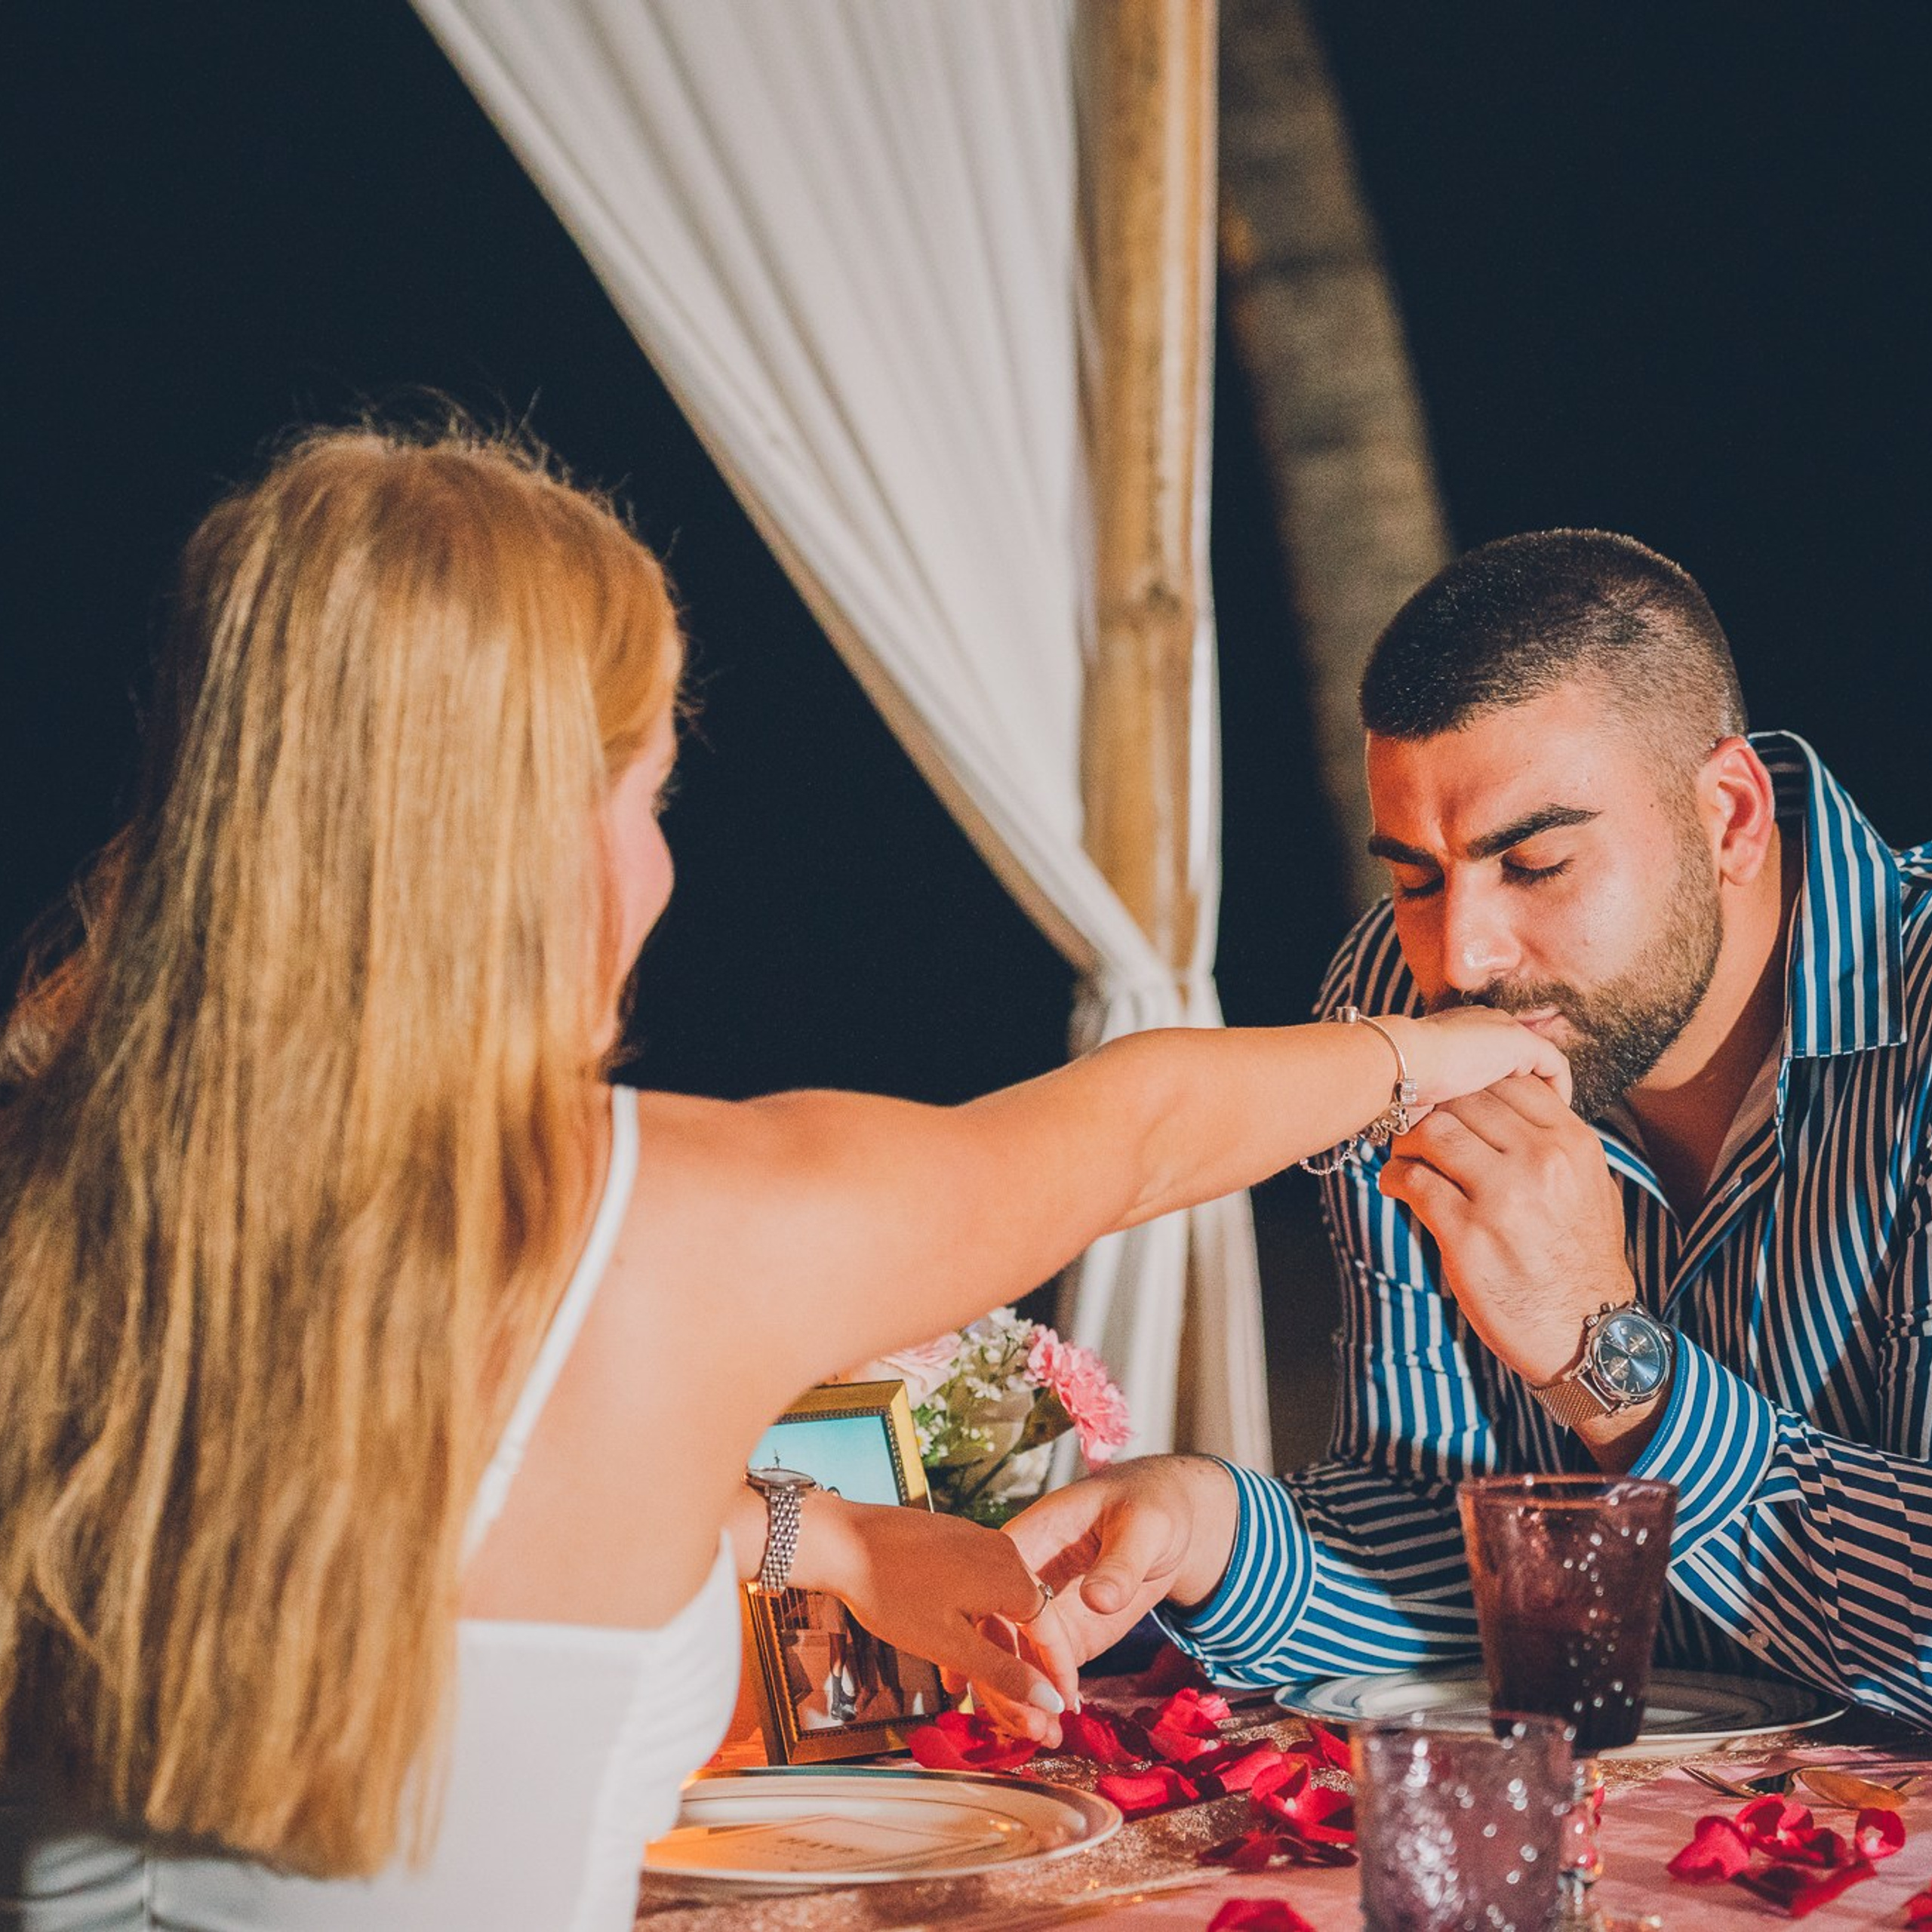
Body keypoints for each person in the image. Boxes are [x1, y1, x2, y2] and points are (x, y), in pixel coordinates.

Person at [0, 425, 1565, 1931]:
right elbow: (1133, 1131)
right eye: (648, 794)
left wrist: (838, 1541)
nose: (657, 865)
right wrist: (1446, 1049)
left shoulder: (63, 1182)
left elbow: (396, 1493)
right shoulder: (645, 1217)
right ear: (524, 832)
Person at [1006, 529, 1932, 1727]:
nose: (1462, 957)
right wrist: (1208, 1530)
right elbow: (1454, 1548)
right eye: (1416, 878)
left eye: (1536, 863)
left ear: (1732, 817)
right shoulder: (1392, 1003)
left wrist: (1606, 1361)